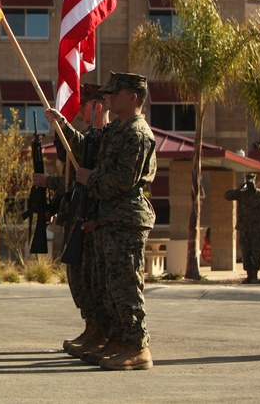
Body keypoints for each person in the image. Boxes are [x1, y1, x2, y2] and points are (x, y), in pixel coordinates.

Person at [70, 72, 156, 371]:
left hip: (126, 218)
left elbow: (122, 180)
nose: (109, 99)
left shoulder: (137, 133)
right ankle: (119, 339)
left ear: (132, 97)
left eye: (115, 94)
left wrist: (90, 178)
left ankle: (137, 346)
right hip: (110, 217)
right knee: (109, 285)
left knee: (125, 284)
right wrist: (60, 125)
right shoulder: (117, 129)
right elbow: (85, 148)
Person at [33, 84, 112, 359]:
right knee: (77, 279)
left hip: (95, 220)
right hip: (77, 214)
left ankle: (100, 331)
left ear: (98, 107)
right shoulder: (90, 138)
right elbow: (72, 181)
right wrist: (55, 206)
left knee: (92, 280)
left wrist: (62, 123)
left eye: (84, 105)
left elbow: (96, 178)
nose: (79, 110)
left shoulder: (107, 139)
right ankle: (92, 328)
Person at [224, 173, 260, 284]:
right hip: (244, 229)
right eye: (248, 182)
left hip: (256, 230)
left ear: (255, 181)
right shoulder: (241, 194)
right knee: (245, 253)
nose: (250, 184)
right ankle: (249, 275)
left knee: (255, 253)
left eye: (252, 181)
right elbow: (227, 196)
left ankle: (254, 275)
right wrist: (239, 188)